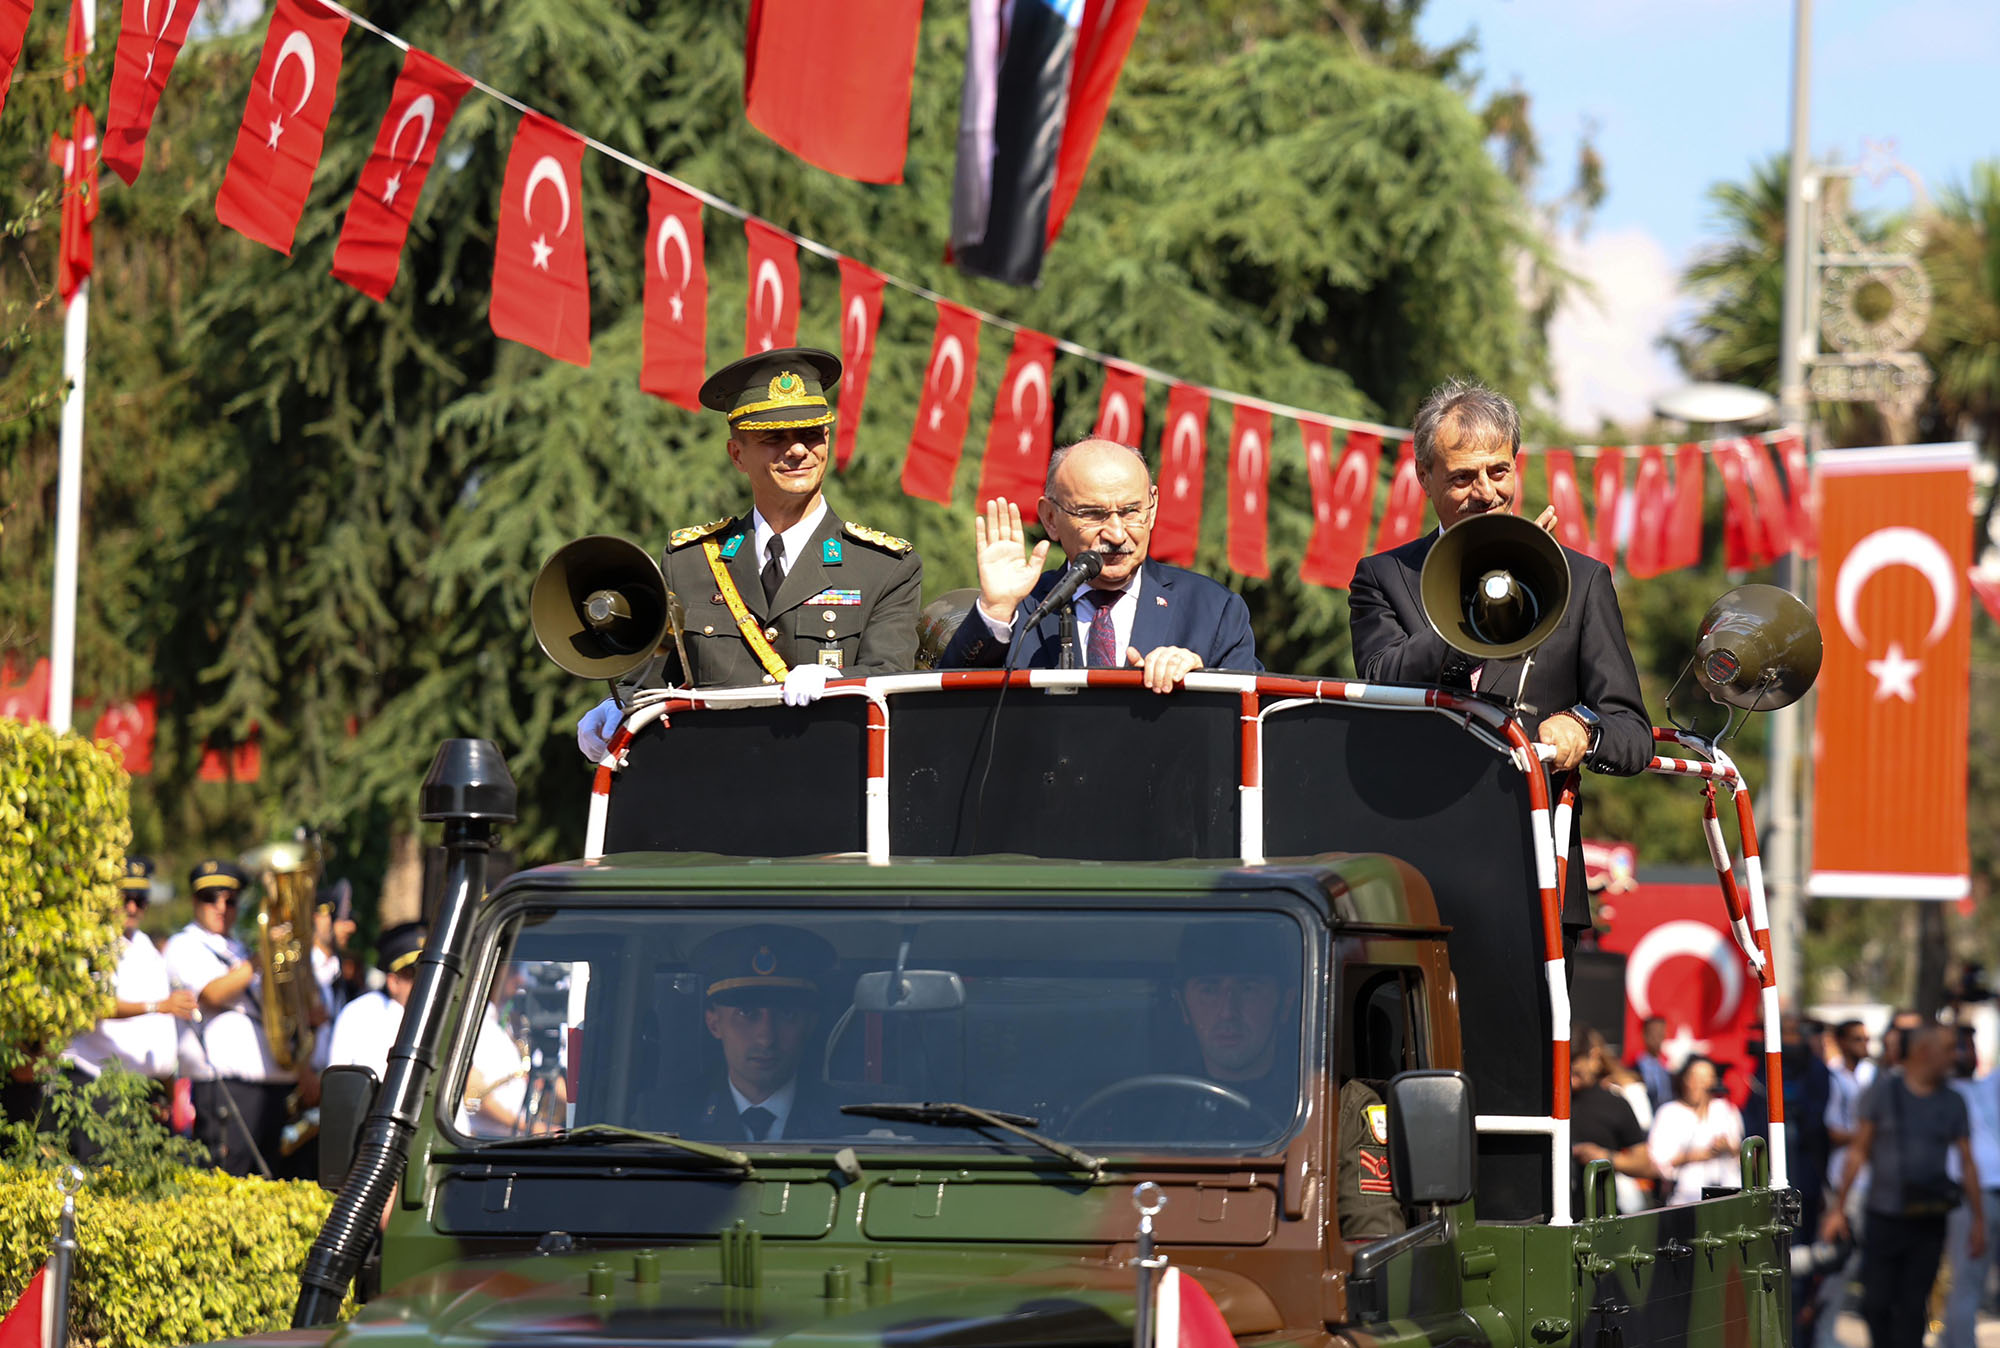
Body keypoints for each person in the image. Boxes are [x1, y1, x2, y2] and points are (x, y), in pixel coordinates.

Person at [1347, 379, 1649, 940]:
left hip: (1534, 877)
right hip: (1413, 873)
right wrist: (1477, 615)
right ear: (1424, 479)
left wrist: (1583, 728)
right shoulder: (1383, 577)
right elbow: (1381, 679)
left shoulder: (1580, 582)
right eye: (1463, 477)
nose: (1486, 492)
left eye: (1499, 471)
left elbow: (1633, 734)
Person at [577, 347, 923, 756]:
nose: (797, 450)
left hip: (828, 782)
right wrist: (617, 710)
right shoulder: (690, 561)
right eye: (774, 437)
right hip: (715, 785)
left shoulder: (883, 567)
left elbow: (893, 679)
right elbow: (658, 678)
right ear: (737, 454)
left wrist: (837, 683)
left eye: (812, 433)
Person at [937, 438, 1259, 688]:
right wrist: (995, 611)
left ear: (1153, 508)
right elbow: (946, 712)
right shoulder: (1021, 608)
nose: (1117, 534)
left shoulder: (1213, 610)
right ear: (1051, 518)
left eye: (1131, 511)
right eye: (1093, 514)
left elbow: (1251, 722)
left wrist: (1202, 685)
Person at [1170, 921, 1400, 1239]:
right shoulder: (1152, 1108)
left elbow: (1371, 1241)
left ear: (1286, 1002)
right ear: (1184, 1005)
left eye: (1248, 988)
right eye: (1209, 989)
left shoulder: (1340, 1106)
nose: (1227, 1011)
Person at [1823, 1023, 1985, 1348]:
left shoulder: (1953, 1101)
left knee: (1913, 1306)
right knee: (1876, 1303)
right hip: (1884, 1216)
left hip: (1928, 1218)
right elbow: (1858, 1151)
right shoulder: (1883, 1093)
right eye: (1950, 1048)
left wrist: (1978, 1220)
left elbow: (1968, 1162)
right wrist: (1838, 1209)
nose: (1956, 1055)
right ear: (1926, 1052)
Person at [162, 858, 317, 1177]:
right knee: (225, 1179)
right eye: (210, 898)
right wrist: (262, 957)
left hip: (271, 1088)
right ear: (195, 901)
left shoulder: (240, 949)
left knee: (267, 1184)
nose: (221, 907)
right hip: (226, 1087)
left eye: (230, 900)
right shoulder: (186, 944)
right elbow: (213, 994)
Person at [55, 857, 198, 1158]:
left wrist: (165, 1090)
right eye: (125, 899)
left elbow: (160, 1031)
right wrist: (158, 1005)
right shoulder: (93, 943)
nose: (132, 908)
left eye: (140, 900)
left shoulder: (148, 948)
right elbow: (93, 1006)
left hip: (143, 1092)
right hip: (97, 1085)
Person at [675, 924, 846, 1143]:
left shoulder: (853, 1121)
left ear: (810, 1023)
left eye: (786, 1013)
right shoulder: (664, 1117)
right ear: (714, 1023)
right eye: (747, 1013)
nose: (766, 1038)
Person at [1943, 1028, 2000, 1348]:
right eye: (1958, 1046)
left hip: (1992, 1193)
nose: (1966, 1053)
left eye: (1970, 1045)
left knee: (1973, 1282)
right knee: (1967, 1281)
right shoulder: (1943, 1093)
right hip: (1970, 1196)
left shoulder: (1986, 1085)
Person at [1569, 1026, 1656, 1215]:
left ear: (1593, 1057)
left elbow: (1645, 1165)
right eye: (1563, 1072)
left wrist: (1605, 1157)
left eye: (1576, 1073)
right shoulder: (1545, 1103)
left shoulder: (1615, 1103)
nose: (1571, 1082)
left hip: (1598, 1219)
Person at [326, 923, 426, 1081]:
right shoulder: (360, 1014)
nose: (423, 983)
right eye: (413, 975)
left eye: (426, 975)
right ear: (393, 982)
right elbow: (337, 1082)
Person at [1646, 1056, 1744, 1205]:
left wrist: (1727, 1147)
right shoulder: (1668, 1112)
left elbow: (1742, 1151)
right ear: (1685, 1080)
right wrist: (1695, 1156)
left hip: (1730, 1194)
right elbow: (1657, 1162)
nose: (1703, 1085)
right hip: (1687, 1198)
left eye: (1708, 1078)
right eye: (1697, 1079)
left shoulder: (1725, 1109)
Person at [1633, 1015, 1672, 1113]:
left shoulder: (1669, 1067)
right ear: (1644, 1034)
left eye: (1661, 1034)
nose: (1657, 1039)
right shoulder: (1636, 1068)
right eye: (1653, 1033)